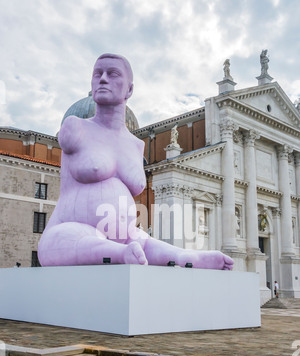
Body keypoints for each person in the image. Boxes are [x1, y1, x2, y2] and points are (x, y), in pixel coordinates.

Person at [38, 53, 234, 271]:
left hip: (127, 236)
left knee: (142, 241)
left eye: (112, 74)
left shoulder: (136, 145)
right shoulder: (75, 127)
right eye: (97, 74)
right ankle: (119, 254)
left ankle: (185, 256)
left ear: (129, 89)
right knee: (60, 242)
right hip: (72, 229)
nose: (102, 79)